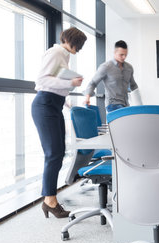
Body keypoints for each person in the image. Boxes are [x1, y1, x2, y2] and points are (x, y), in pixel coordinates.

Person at [32, 27, 87, 218]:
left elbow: (54, 82)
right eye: (78, 44)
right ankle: (49, 201)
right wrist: (70, 83)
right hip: (45, 105)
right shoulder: (56, 52)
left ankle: (50, 199)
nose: (78, 48)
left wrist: (66, 101)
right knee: (53, 153)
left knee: (58, 153)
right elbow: (42, 80)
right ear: (72, 41)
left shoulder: (64, 55)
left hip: (53, 105)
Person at [84, 40, 141, 112]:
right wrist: (87, 97)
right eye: (121, 55)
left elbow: (133, 85)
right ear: (115, 52)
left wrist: (140, 105)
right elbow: (93, 83)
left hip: (126, 105)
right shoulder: (106, 67)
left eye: (125, 55)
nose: (124, 57)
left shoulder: (129, 68)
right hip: (112, 104)